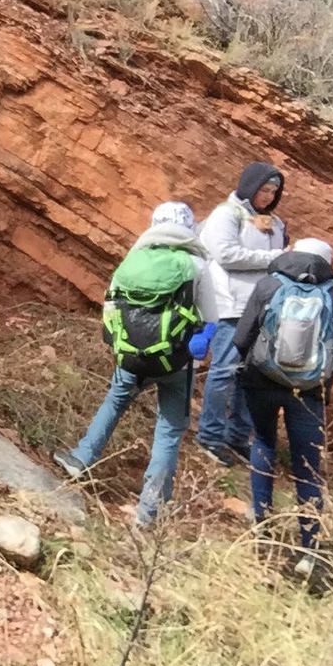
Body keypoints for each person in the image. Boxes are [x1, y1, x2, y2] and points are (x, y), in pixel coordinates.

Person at [52, 203, 218, 528]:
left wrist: (119, 344)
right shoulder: (196, 263)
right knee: (168, 430)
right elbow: (211, 316)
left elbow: (111, 305)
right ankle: (149, 512)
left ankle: (81, 458)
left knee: (115, 400)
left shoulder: (134, 258)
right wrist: (201, 345)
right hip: (175, 360)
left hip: (131, 354)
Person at [233, 238, 333, 575]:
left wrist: (257, 363)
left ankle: (262, 527)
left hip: (262, 383)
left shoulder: (268, 285)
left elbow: (241, 338)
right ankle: (309, 548)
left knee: (263, 444)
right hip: (309, 390)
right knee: (308, 464)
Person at [196, 162, 287, 466]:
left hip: (262, 309)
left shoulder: (275, 222)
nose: (268, 196)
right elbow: (225, 254)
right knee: (223, 371)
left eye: (273, 191)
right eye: (264, 190)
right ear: (250, 186)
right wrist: (274, 258)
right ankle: (209, 435)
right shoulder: (227, 214)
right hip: (231, 306)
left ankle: (237, 437)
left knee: (250, 376)